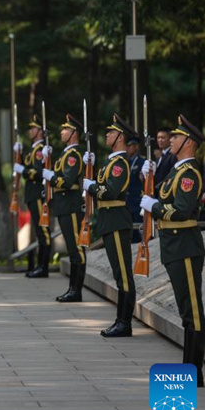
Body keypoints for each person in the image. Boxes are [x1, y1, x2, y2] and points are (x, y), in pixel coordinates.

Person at [140, 115, 205, 387]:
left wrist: (153, 206)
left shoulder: (189, 174)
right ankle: (189, 367)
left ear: (188, 142)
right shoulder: (177, 171)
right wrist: (147, 177)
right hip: (173, 246)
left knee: (192, 312)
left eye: (177, 137)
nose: (171, 140)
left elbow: (180, 210)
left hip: (185, 246)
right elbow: (163, 194)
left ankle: (194, 371)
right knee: (185, 311)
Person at [83, 113, 135, 338]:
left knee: (123, 274)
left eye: (111, 132)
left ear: (120, 137)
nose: (107, 135)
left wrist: (92, 186)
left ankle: (124, 323)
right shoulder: (110, 161)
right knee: (118, 273)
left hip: (116, 221)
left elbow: (110, 191)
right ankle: (120, 320)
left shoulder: (120, 163)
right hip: (108, 220)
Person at [41, 114, 85, 302]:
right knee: (71, 248)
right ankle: (72, 289)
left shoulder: (73, 155)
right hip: (63, 205)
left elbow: (66, 181)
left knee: (77, 248)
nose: (61, 132)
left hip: (71, 205)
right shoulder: (65, 154)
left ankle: (76, 290)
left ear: (74, 133)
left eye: (65, 129)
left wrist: (50, 176)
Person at [13, 114, 51, 277]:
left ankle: (43, 267)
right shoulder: (33, 149)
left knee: (43, 232)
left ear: (40, 131)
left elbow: (39, 172)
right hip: (31, 194)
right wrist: (19, 154)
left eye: (33, 128)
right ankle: (38, 265)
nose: (30, 131)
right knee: (38, 231)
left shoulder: (40, 149)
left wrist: (24, 171)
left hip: (37, 194)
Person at [125, 137, 145, 243]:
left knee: (140, 232)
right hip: (128, 202)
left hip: (137, 202)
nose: (127, 149)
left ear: (136, 147)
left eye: (129, 146)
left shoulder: (142, 162)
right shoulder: (126, 162)